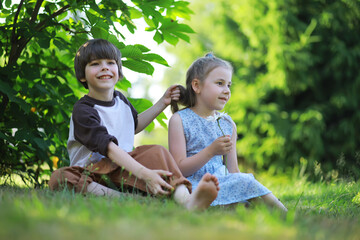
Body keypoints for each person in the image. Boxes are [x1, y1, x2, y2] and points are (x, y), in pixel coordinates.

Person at [49, 39, 220, 211]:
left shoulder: (121, 101)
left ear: (119, 71)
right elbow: (107, 147)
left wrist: (163, 102)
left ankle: (187, 200)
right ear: (82, 75)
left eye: (110, 63)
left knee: (157, 151)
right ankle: (127, 198)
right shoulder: (83, 110)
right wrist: (146, 175)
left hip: (125, 168)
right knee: (61, 177)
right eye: (95, 64)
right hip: (93, 175)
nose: (105, 67)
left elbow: (135, 125)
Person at [168, 53, 287, 212]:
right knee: (186, 189)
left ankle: (280, 210)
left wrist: (241, 183)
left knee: (244, 180)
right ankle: (207, 201)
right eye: (220, 83)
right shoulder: (179, 120)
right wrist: (210, 151)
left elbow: (233, 171)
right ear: (196, 86)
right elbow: (179, 169)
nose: (226, 91)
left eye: (229, 85)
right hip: (194, 185)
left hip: (223, 183)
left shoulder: (227, 123)